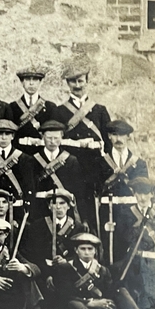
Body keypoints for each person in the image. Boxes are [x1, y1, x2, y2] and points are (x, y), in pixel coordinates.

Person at [53, 232, 155, 309]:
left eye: (90, 249)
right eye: (83, 249)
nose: (86, 252)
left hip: (97, 308)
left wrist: (107, 299)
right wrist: (90, 302)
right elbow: (65, 295)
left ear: (95, 251)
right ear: (76, 250)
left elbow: (108, 292)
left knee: (120, 290)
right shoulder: (65, 268)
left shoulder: (103, 270)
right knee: (73, 303)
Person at [55, 64, 112, 226]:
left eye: (80, 81)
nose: (77, 85)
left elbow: (108, 143)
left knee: (94, 208)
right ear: (68, 85)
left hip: (94, 166)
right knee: (73, 203)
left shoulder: (100, 110)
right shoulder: (59, 111)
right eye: (73, 82)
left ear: (87, 81)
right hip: (71, 165)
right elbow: (56, 141)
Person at [19, 189, 86, 309]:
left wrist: (67, 261)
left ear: (68, 206)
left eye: (62, 203)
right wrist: (47, 273)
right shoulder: (37, 226)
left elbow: (81, 254)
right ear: (49, 206)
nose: (58, 207)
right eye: (54, 203)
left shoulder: (78, 228)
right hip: (43, 270)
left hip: (67, 271)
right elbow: (32, 254)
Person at [97, 120, 149, 263]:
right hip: (108, 209)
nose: (118, 139)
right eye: (114, 135)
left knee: (130, 246)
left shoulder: (139, 164)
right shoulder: (100, 161)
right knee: (108, 248)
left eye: (122, 135)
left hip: (131, 210)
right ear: (109, 136)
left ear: (128, 137)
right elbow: (96, 188)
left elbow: (144, 189)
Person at [113, 177, 155, 309]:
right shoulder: (126, 212)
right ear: (134, 194)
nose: (142, 197)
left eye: (146, 193)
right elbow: (125, 236)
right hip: (135, 259)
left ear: (152, 194)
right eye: (138, 193)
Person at [31, 120, 86, 222]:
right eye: (49, 138)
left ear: (61, 138)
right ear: (42, 137)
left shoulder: (71, 160)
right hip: (40, 208)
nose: (52, 141)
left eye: (56, 138)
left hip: (64, 209)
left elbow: (78, 189)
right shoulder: (33, 160)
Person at [10, 66, 57, 155]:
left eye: (35, 79)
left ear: (40, 82)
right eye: (27, 79)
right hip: (20, 152)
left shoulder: (50, 107)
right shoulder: (12, 107)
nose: (31, 83)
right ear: (22, 82)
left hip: (42, 152)